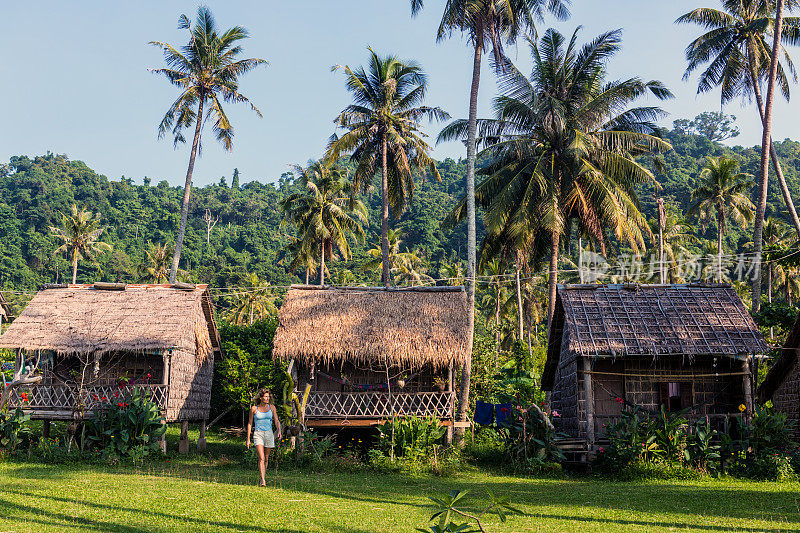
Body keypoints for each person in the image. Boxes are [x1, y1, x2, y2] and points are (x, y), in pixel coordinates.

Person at [246, 388, 282, 487]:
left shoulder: (272, 407)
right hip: (258, 434)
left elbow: (276, 420)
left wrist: (279, 431)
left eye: (268, 396)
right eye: (265, 396)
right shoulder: (254, 408)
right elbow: (249, 424)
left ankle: (263, 476)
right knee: (261, 458)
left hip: (269, 434)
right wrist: (248, 439)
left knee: (266, 458)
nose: (267, 398)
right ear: (261, 398)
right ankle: (262, 480)